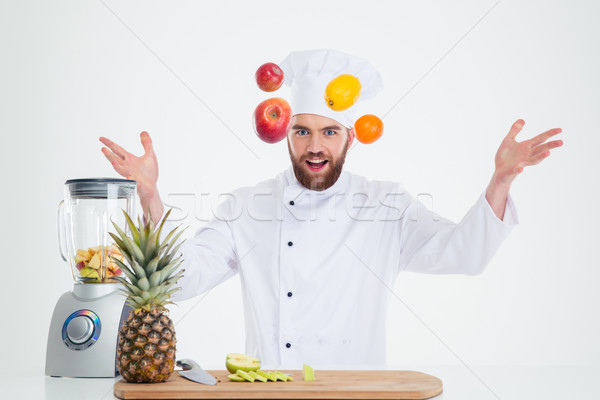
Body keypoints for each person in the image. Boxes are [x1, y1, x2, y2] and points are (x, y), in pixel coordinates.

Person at [99, 49, 563, 368]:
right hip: (271, 395)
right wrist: (149, 194)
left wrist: (500, 179)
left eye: (329, 132)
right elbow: (180, 279)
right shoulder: (246, 207)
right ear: (284, 133)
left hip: (361, 394)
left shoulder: (387, 205)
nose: (314, 147)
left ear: (351, 136)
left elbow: (466, 254)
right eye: (302, 132)